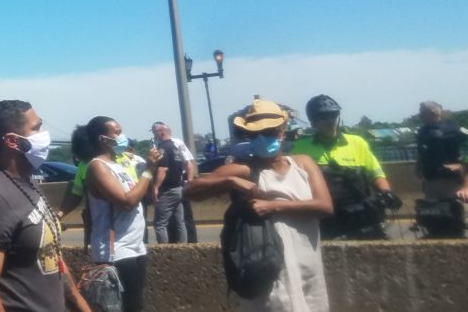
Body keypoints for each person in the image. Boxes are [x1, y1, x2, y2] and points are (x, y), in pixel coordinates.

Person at [186, 98, 333, 312]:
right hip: (270, 274)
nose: (263, 139)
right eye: (255, 135)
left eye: (270, 132)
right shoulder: (244, 169)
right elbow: (191, 190)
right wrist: (229, 181)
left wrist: (273, 207)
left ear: (282, 132)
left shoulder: (303, 163)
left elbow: (325, 206)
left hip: (308, 269)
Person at [0, 100, 89, 312]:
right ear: (13, 141)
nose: (44, 134)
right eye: (36, 127)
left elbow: (53, 257)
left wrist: (81, 306)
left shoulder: (27, 183)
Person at [291, 94, 399, 239]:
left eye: (333, 116)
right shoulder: (301, 147)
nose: (330, 121)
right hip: (325, 218)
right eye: (324, 117)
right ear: (313, 122)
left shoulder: (357, 143)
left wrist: (386, 193)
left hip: (359, 215)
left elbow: (376, 174)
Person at [84, 116, 155, 312]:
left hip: (136, 245)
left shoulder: (122, 165)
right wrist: (148, 172)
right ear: (102, 139)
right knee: (119, 307)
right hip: (115, 250)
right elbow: (127, 202)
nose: (122, 136)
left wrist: (147, 172)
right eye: (116, 132)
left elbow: (141, 195)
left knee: (135, 304)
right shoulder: (98, 166)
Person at [415, 101, 468, 202]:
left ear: (431, 112)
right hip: (430, 180)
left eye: (422, 112)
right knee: (432, 213)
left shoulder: (452, 128)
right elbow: (422, 151)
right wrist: (418, 166)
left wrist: (460, 163)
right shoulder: (422, 131)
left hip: (449, 180)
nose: (419, 115)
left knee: (451, 212)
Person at [149, 122, 187, 243]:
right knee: (179, 222)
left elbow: (162, 169)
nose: (154, 136)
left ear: (162, 132)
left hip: (167, 190)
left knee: (160, 224)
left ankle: (164, 250)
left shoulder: (163, 148)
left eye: (155, 133)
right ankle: (183, 249)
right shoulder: (175, 148)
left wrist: (155, 187)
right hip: (178, 187)